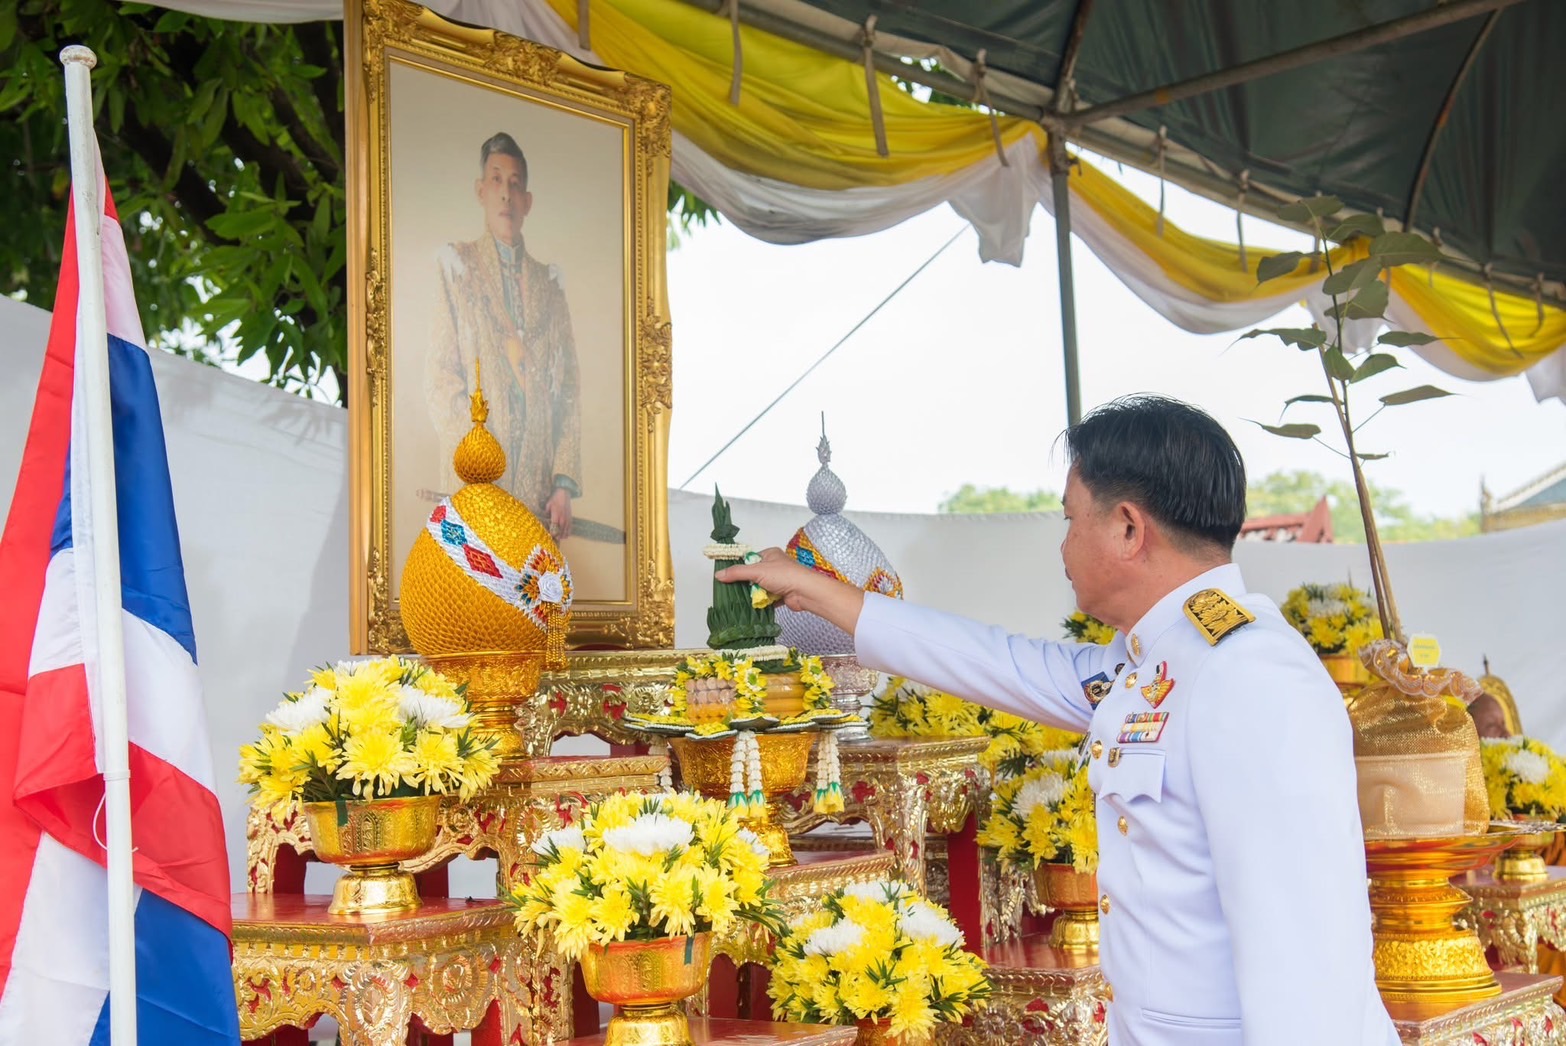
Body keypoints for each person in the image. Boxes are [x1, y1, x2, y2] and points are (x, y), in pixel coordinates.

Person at [722, 395, 1397, 1046]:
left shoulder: (1248, 673)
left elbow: (1307, 955)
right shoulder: (1157, 660)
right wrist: (815, 589)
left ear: (1129, 528)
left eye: (1071, 519)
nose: (1064, 547)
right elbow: (999, 663)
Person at [427, 131, 581, 538]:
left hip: (535, 497)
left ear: (527, 201)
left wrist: (563, 484)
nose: (505, 194)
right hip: (473, 489)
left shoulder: (550, 286)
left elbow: (568, 389)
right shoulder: (456, 267)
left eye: (514, 184)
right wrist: (477, 461)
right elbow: (441, 376)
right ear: (481, 191)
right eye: (496, 180)